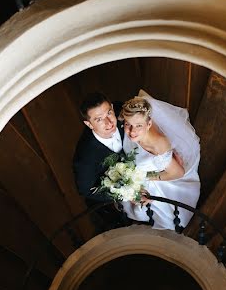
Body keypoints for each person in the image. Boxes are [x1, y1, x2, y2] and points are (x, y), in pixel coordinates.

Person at [120, 90, 201, 230]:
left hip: (161, 177)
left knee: (170, 221)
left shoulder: (158, 144)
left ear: (149, 124)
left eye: (139, 125)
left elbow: (178, 172)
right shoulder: (133, 128)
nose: (132, 131)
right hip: (140, 170)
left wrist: (145, 176)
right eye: (128, 124)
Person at [72, 92, 126, 229]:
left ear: (113, 108)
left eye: (109, 113)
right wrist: (125, 193)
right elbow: (86, 190)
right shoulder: (84, 157)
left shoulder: (122, 111)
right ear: (89, 124)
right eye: (99, 119)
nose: (108, 122)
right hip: (111, 200)